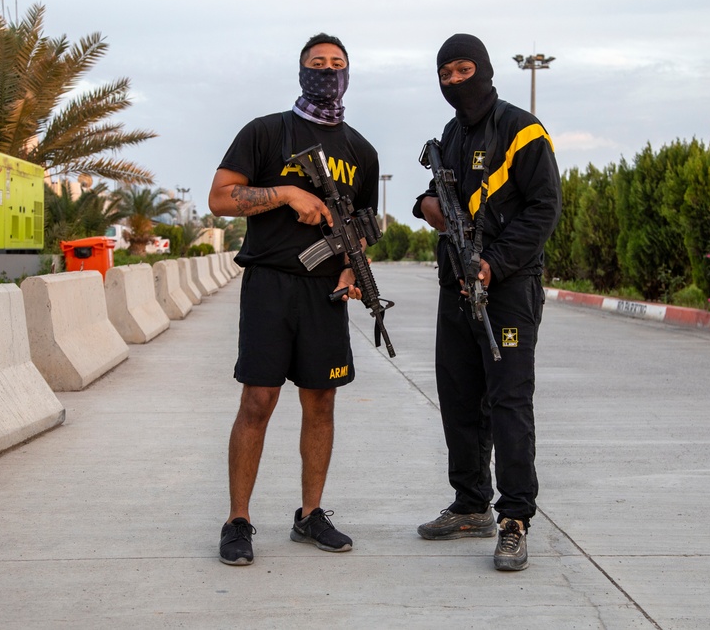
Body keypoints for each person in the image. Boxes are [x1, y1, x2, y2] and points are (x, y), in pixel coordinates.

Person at [208, 33, 379, 566]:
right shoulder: (265, 132)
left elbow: (366, 225)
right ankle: (238, 520)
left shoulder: (362, 151)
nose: (327, 72)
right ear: (301, 70)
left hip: (325, 293)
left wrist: (353, 267)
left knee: (321, 402)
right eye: (317, 64)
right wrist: (285, 193)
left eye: (337, 65)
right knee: (257, 401)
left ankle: (311, 515)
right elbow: (219, 198)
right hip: (270, 284)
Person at [413, 33, 561, 571]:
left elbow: (544, 208)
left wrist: (494, 262)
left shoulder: (521, 129)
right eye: (445, 73)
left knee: (508, 404)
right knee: (458, 398)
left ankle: (515, 518)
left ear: (485, 69)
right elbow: (441, 198)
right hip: (455, 286)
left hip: (509, 290)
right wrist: (424, 204)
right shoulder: (451, 134)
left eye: (462, 69)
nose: (454, 81)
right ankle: (470, 505)